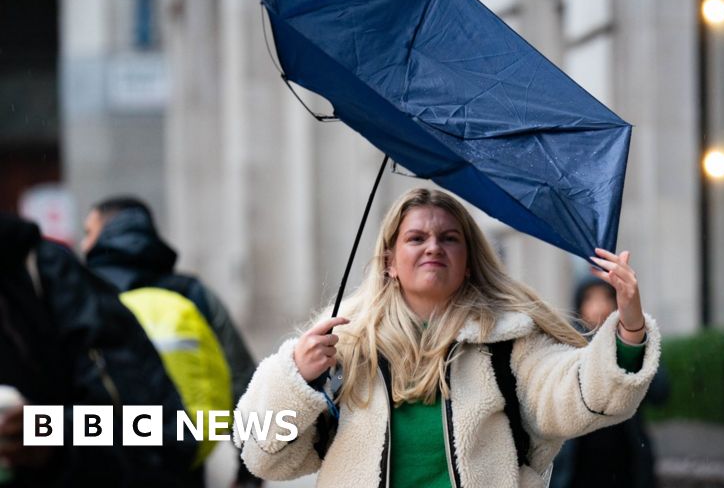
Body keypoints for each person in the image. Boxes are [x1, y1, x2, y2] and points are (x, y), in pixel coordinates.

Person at [234, 187, 661, 487]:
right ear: (390, 261)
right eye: (416, 238)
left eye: (449, 239)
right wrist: (297, 379)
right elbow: (263, 456)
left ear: (469, 261)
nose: (433, 247)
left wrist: (629, 326)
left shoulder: (508, 340)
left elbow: (584, 396)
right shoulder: (340, 343)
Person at [0, 213, 195, 487]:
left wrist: (51, 432)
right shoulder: (191, 291)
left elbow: (159, 435)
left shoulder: (47, 276)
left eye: (88, 233)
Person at [80, 197, 261, 488]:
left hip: (105, 463)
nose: (83, 244)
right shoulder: (193, 294)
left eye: (88, 232)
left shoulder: (82, 296)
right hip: (184, 458)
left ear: (107, 234)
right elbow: (242, 382)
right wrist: (249, 471)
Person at [549, 278, 671, 488]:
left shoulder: (635, 340)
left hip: (626, 462)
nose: (600, 306)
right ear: (579, 304)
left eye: (606, 297)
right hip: (576, 466)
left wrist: (632, 347)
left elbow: (660, 392)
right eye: (591, 298)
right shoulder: (564, 346)